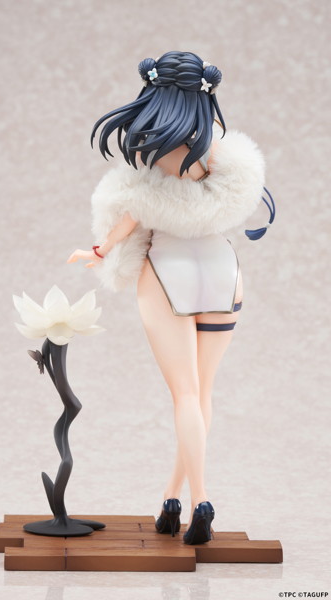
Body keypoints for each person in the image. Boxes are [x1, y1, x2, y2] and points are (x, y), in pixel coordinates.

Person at [67, 51, 273, 545]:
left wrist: (101, 249)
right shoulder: (216, 146)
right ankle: (172, 500)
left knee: (185, 395)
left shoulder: (156, 147)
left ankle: (202, 499)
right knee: (202, 394)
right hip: (223, 270)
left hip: (168, 273)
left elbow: (136, 210)